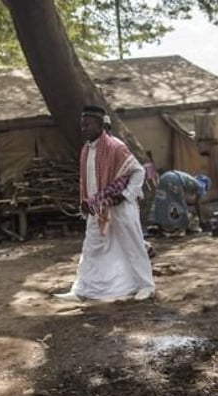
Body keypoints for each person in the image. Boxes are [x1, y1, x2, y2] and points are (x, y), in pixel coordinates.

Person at [54, 105, 154, 302]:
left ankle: (146, 286)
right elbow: (86, 181)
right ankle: (82, 289)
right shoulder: (86, 150)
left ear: (100, 125)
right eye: (82, 126)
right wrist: (85, 202)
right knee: (91, 248)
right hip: (97, 208)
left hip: (121, 207)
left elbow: (138, 172)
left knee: (132, 246)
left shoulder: (115, 147)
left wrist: (125, 194)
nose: (84, 129)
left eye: (88, 125)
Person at [148, 170, 208, 235]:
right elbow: (197, 203)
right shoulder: (200, 186)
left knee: (162, 203)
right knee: (179, 206)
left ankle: (160, 228)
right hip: (174, 179)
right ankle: (180, 228)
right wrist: (201, 220)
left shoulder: (190, 180)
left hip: (164, 177)